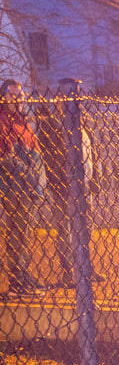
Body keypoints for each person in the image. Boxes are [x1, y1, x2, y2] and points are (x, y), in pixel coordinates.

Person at [40, 77, 100, 288]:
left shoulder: (83, 127)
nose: (75, 103)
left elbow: (92, 156)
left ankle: (85, 267)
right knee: (66, 231)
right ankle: (69, 273)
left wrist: (94, 181)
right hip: (64, 188)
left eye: (77, 98)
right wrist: (57, 185)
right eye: (69, 98)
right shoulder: (54, 128)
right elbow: (49, 159)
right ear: (59, 102)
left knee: (86, 228)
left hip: (84, 186)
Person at [0, 78, 47, 296]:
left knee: (23, 233)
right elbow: (6, 157)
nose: (17, 99)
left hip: (25, 187)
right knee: (15, 233)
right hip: (10, 187)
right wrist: (26, 171)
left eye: (20, 95)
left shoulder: (22, 121)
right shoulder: (2, 120)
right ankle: (17, 279)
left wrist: (36, 182)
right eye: (12, 95)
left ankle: (22, 273)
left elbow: (35, 153)